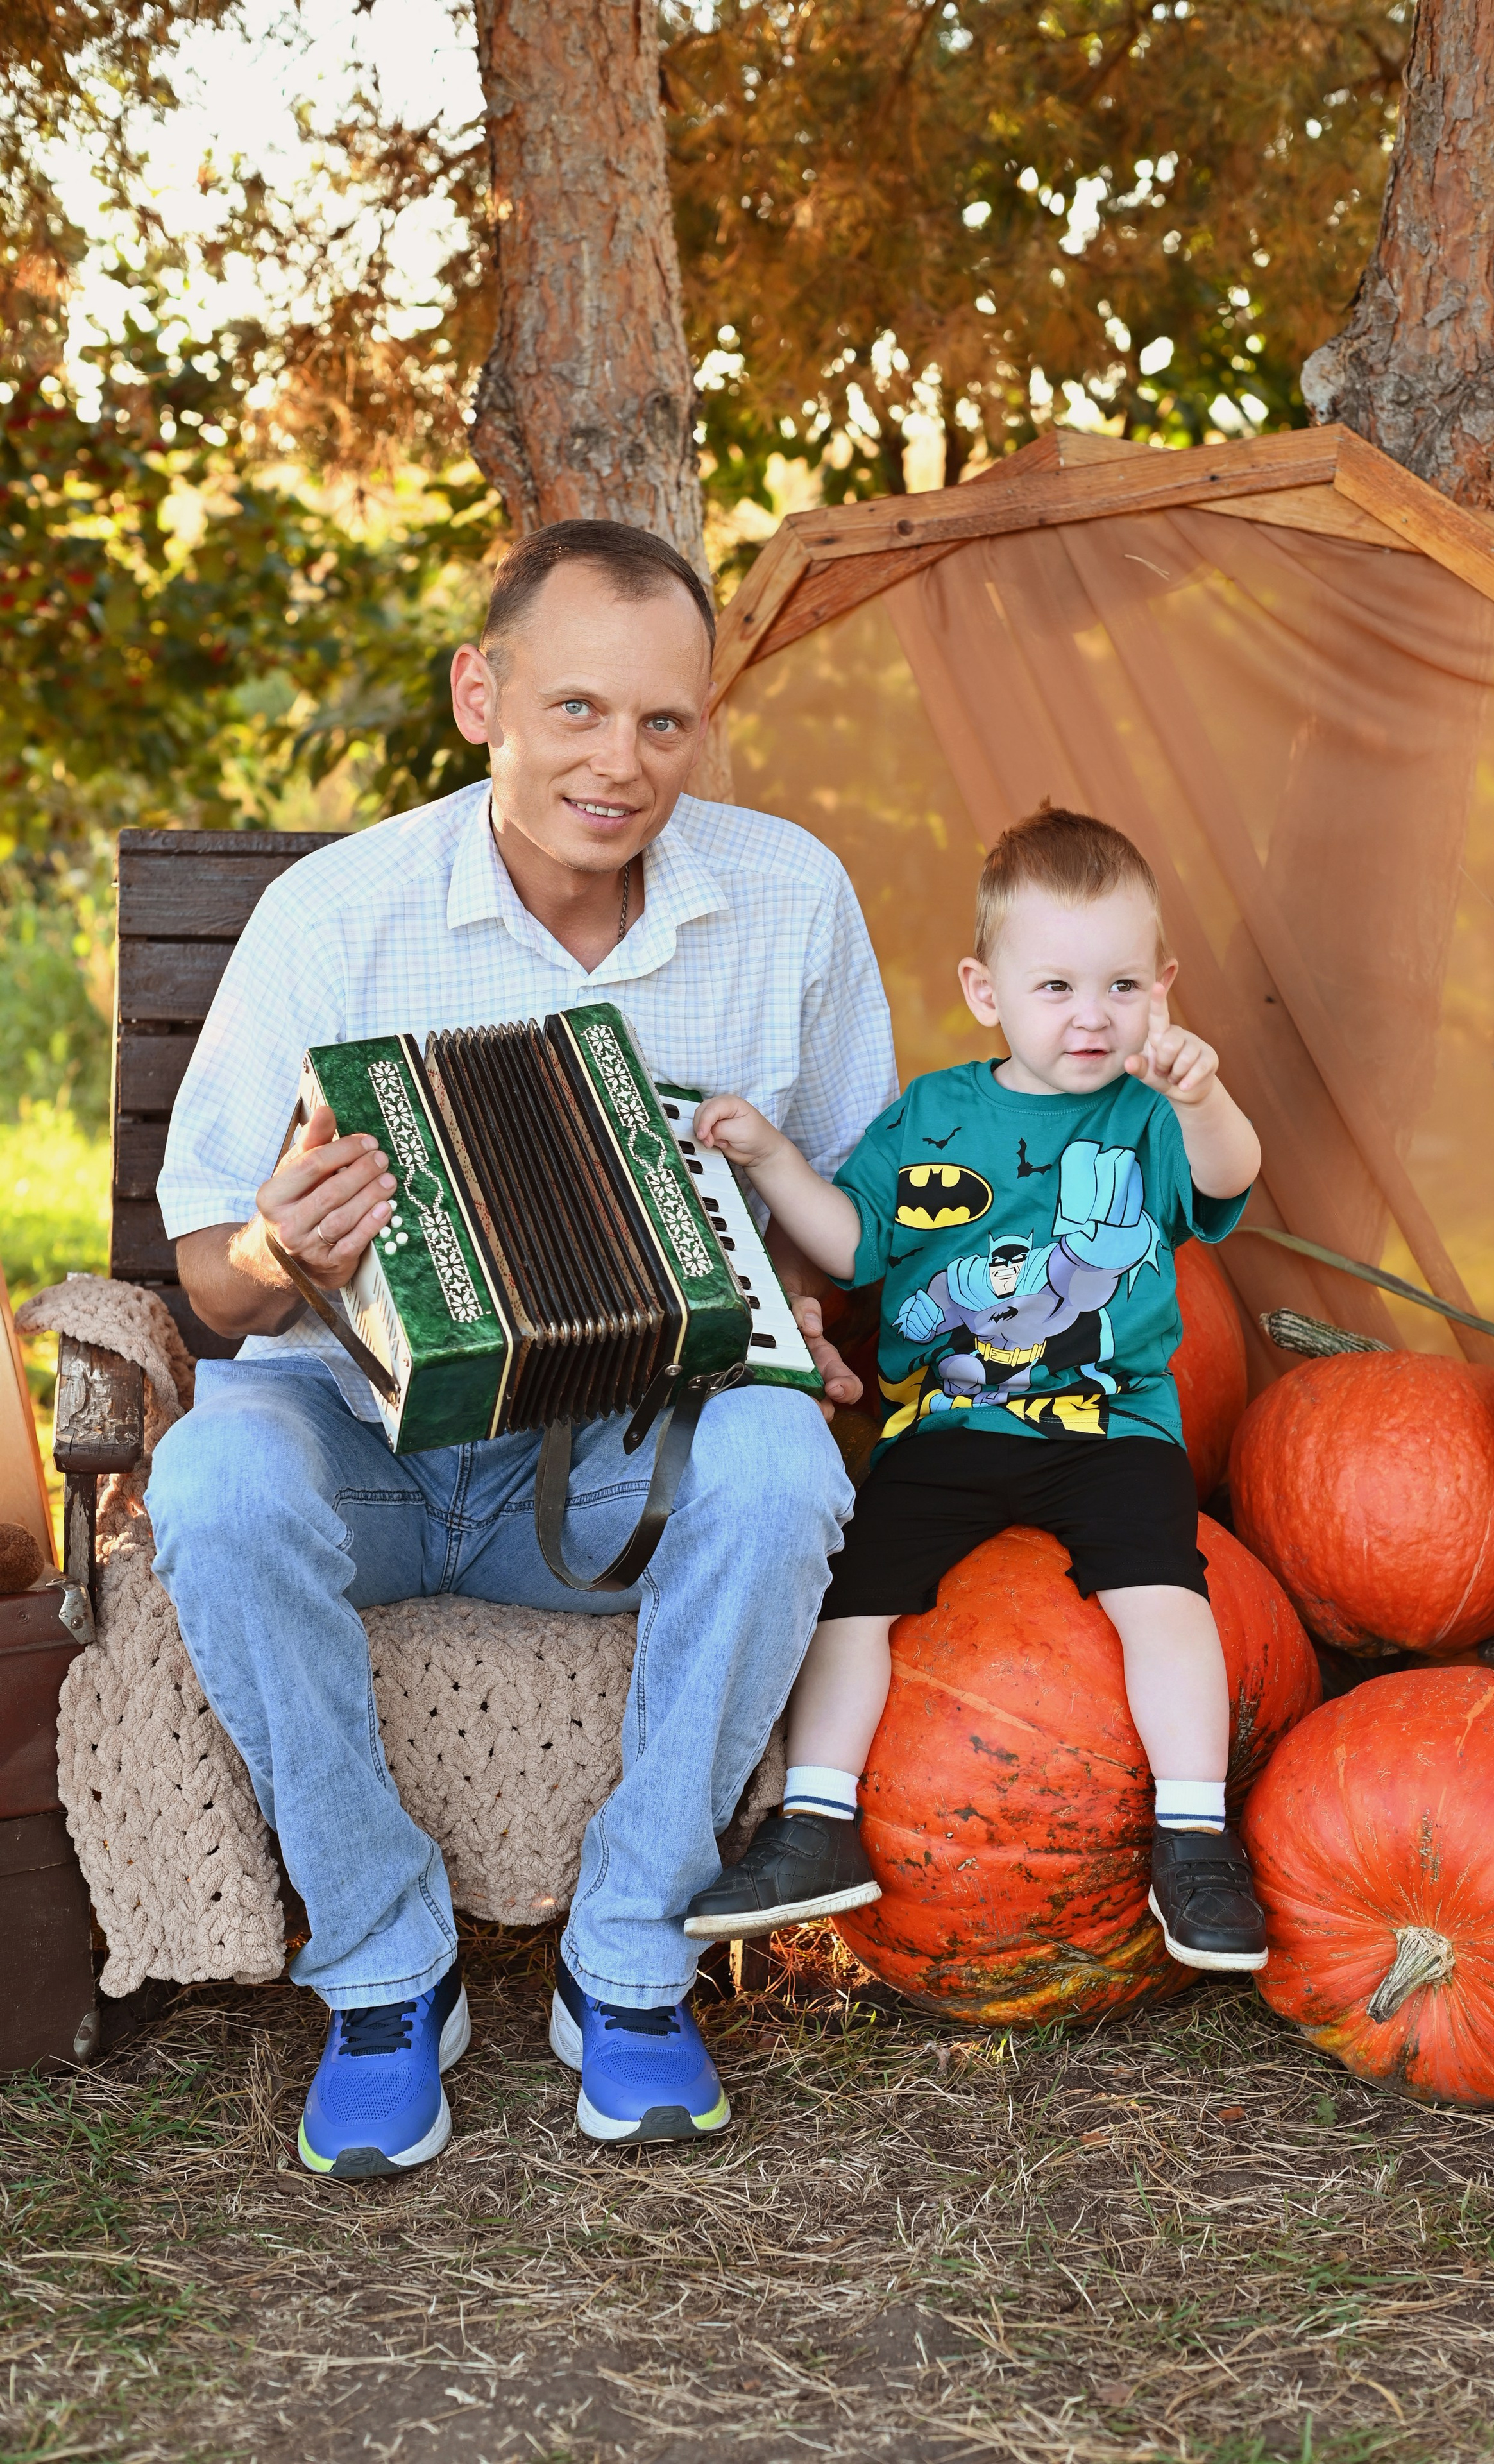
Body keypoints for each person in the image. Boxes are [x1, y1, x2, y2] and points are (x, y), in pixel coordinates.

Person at [146, 520, 897, 2174]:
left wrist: (817, 1320)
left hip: (618, 1467)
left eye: (658, 723)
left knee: (776, 1455)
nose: (614, 766)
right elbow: (212, 1282)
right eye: (572, 709)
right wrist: (283, 1245)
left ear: (701, 725)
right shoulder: (333, 917)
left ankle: (629, 1960)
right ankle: (382, 1969)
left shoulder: (788, 901)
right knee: (210, 1475)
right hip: (370, 1460)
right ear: (481, 694)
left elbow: (853, 1196)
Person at [681, 806, 1271, 1972]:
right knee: (855, 1596)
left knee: (1166, 1593)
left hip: (1113, 1420)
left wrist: (1203, 1094)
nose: (1091, 1018)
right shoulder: (933, 1115)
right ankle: (819, 1818)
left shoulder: (1154, 1114)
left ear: (1161, 988)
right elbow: (852, 1248)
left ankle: (1196, 1835)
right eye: (1055, 987)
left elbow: (1229, 1178)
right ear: (987, 989)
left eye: (1119, 988)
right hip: (948, 1416)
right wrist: (776, 1163)